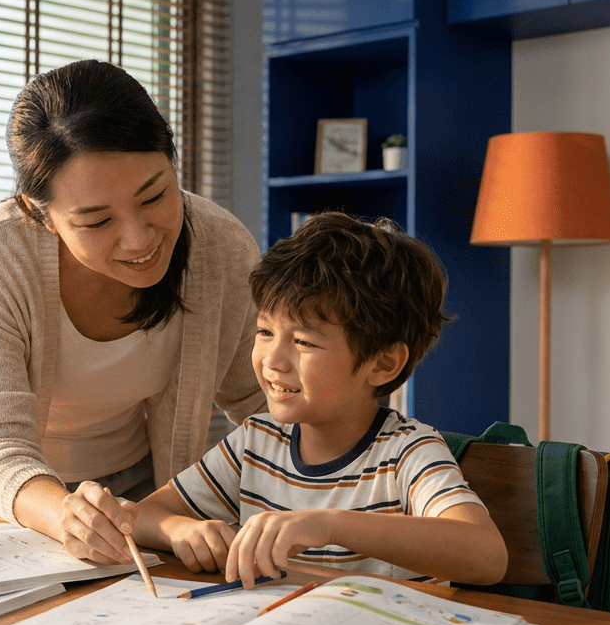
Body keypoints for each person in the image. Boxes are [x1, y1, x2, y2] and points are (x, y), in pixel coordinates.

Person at [0, 59, 265, 566]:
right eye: (97, 221)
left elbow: (259, 397)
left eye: (156, 196)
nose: (140, 239)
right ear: (40, 213)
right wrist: (65, 515)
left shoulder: (220, 247)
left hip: (134, 495)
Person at [133, 212, 508, 587]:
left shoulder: (407, 452)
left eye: (303, 342)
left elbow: (487, 556)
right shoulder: (256, 443)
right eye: (265, 331)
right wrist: (180, 530)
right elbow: (146, 515)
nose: (272, 361)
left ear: (383, 363)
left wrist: (330, 525)